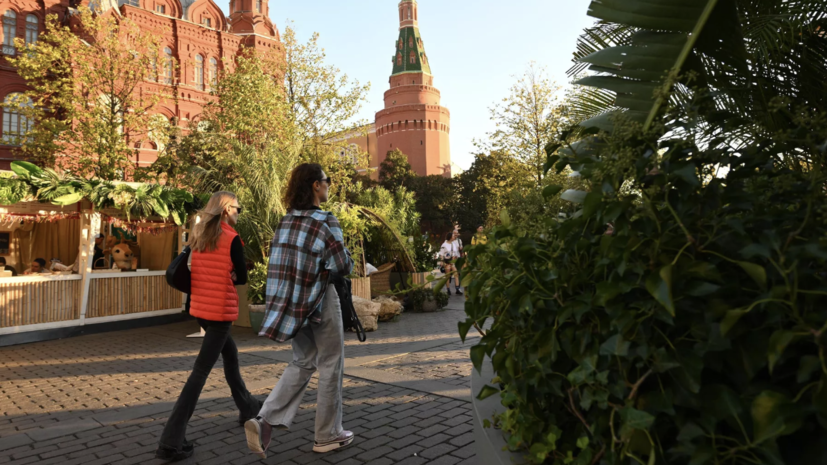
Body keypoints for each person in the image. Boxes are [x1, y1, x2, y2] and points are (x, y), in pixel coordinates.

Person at [245, 163, 354, 459]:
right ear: (316, 186)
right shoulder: (324, 220)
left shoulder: (285, 221)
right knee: (331, 362)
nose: (329, 185)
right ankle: (327, 435)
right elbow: (342, 266)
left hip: (292, 306)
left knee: (303, 361)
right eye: (326, 181)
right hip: (319, 300)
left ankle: (264, 419)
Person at [155, 191, 261, 462]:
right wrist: (230, 272)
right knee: (200, 373)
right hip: (221, 312)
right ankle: (171, 440)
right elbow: (242, 277)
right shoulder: (231, 239)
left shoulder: (199, 236)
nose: (239, 212)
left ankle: (247, 406)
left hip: (201, 310)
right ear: (226, 210)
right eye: (238, 208)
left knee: (230, 355)